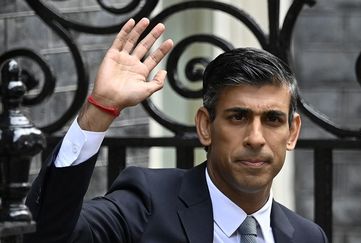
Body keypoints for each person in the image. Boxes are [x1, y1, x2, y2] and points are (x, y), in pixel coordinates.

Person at [24, 18, 328, 243]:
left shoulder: (308, 236)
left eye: (273, 120)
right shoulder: (146, 203)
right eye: (238, 117)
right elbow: (47, 234)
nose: (256, 138)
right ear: (205, 126)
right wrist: (99, 110)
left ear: (292, 132)